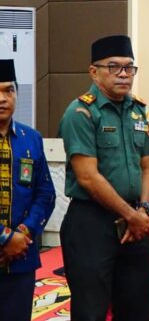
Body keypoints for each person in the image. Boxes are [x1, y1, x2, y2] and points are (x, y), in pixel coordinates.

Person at [58, 35, 149, 320]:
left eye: (129, 68)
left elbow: (147, 166)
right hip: (91, 224)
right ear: (94, 72)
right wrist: (131, 215)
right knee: (91, 311)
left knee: (136, 308)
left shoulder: (138, 110)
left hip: (135, 221)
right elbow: (88, 177)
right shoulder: (81, 112)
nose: (124, 74)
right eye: (114, 67)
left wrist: (143, 209)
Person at [0, 59, 56, 321]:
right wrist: (4, 238)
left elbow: (45, 194)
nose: (3, 98)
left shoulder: (31, 138)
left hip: (21, 256)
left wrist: (23, 234)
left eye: (8, 90)